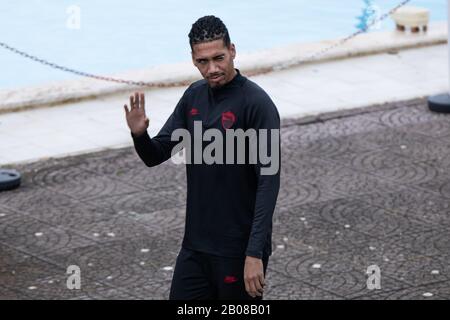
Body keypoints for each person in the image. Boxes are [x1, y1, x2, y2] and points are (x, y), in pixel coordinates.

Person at [124, 15, 280, 300]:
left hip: (238, 249)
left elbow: (269, 183)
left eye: (219, 58)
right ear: (193, 59)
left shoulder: (257, 105)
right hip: (196, 246)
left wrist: (255, 253)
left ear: (232, 50)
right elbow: (155, 154)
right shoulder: (194, 96)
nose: (212, 69)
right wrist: (139, 135)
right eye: (202, 62)